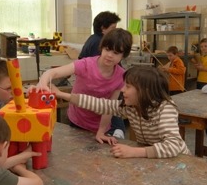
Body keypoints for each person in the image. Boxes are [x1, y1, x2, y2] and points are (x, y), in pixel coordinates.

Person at [51, 66, 191, 159]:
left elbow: (173, 146)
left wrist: (134, 152)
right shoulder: (131, 107)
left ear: (145, 92)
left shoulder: (165, 108)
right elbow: (100, 104)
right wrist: (61, 94)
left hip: (180, 162)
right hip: (156, 160)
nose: (122, 89)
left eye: (128, 86)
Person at [34, 28, 132, 144]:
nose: (110, 55)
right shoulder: (85, 64)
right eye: (107, 49)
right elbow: (52, 73)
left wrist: (101, 132)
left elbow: (110, 107)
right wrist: (42, 83)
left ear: (123, 56)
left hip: (100, 124)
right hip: (77, 119)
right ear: (101, 47)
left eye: (116, 53)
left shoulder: (121, 76)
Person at [78, 11, 126, 139]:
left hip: (90, 102)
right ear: (103, 28)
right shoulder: (100, 42)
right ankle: (117, 131)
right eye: (112, 29)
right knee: (112, 110)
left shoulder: (91, 39)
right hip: (97, 99)